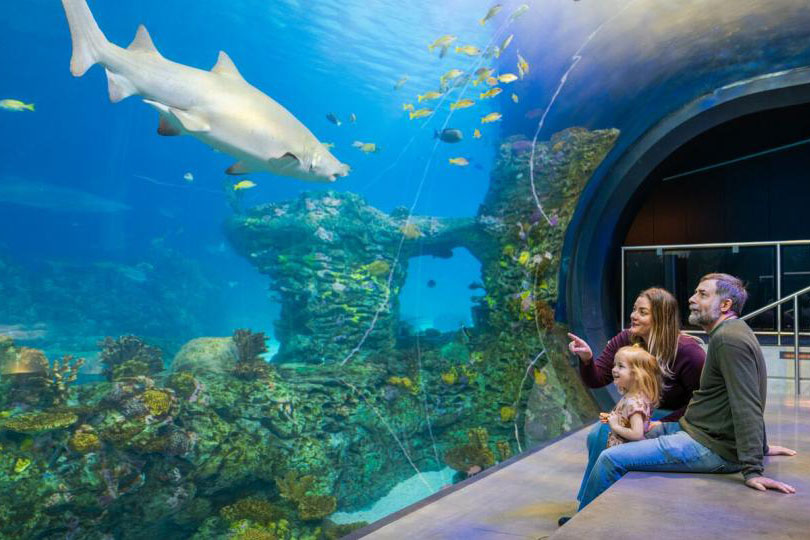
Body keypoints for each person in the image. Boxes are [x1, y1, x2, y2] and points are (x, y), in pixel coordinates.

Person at [576, 273, 796, 512]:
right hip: (695, 429)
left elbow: (747, 403)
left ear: (725, 305)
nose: (691, 299)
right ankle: (591, 508)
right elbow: (735, 396)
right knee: (603, 431)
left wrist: (753, 466)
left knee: (611, 459)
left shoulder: (727, 341)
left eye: (702, 294)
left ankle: (584, 524)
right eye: (695, 292)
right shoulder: (727, 334)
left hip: (710, 446)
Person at [568, 287, 705, 503]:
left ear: (661, 318)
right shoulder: (625, 339)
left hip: (676, 417)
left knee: (614, 441)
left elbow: (701, 401)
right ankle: (589, 502)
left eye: (642, 312)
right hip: (642, 412)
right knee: (598, 434)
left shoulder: (689, 351)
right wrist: (586, 359)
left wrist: (663, 424)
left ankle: (603, 501)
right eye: (634, 310)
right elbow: (596, 379)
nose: (633, 316)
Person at [602, 345, 662, 449]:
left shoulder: (633, 403)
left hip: (624, 453)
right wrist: (611, 418)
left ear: (636, 375)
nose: (614, 369)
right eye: (614, 365)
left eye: (620, 366)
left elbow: (637, 434)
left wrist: (615, 426)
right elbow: (627, 420)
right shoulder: (631, 396)